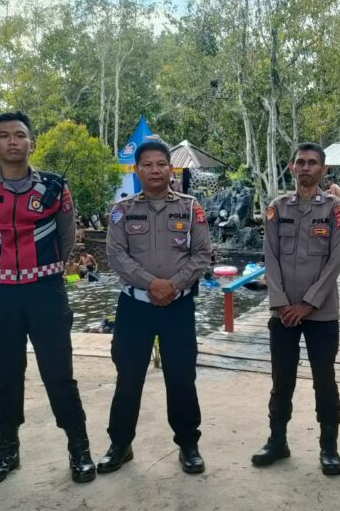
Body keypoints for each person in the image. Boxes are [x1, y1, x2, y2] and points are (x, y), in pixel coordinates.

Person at [0, 110, 95, 485]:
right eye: (4, 135)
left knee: (59, 374)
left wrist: (46, 270)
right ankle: (7, 451)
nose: (12, 142)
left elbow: (67, 237)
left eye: (19, 135)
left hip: (46, 291)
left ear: (31, 142)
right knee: (4, 375)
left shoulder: (54, 186)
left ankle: (79, 448)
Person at [101, 140, 212, 476]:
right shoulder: (122, 210)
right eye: (147, 165)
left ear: (170, 168)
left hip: (178, 307)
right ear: (137, 170)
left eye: (161, 164)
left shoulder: (190, 208)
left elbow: (202, 254)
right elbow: (116, 255)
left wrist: (172, 285)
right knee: (128, 376)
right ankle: (120, 444)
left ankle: (188, 445)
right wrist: (151, 283)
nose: (154, 170)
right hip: (135, 307)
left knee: (181, 376)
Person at [252, 142, 340, 475]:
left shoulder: (335, 209)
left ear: (323, 169)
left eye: (312, 163)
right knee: (282, 379)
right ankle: (277, 441)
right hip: (283, 313)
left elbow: (336, 260)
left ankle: (329, 448)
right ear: (291, 167)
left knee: (325, 379)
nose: (306, 168)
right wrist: (281, 303)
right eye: (300, 162)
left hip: (321, 312)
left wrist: (307, 304)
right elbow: (270, 257)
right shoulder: (277, 208)